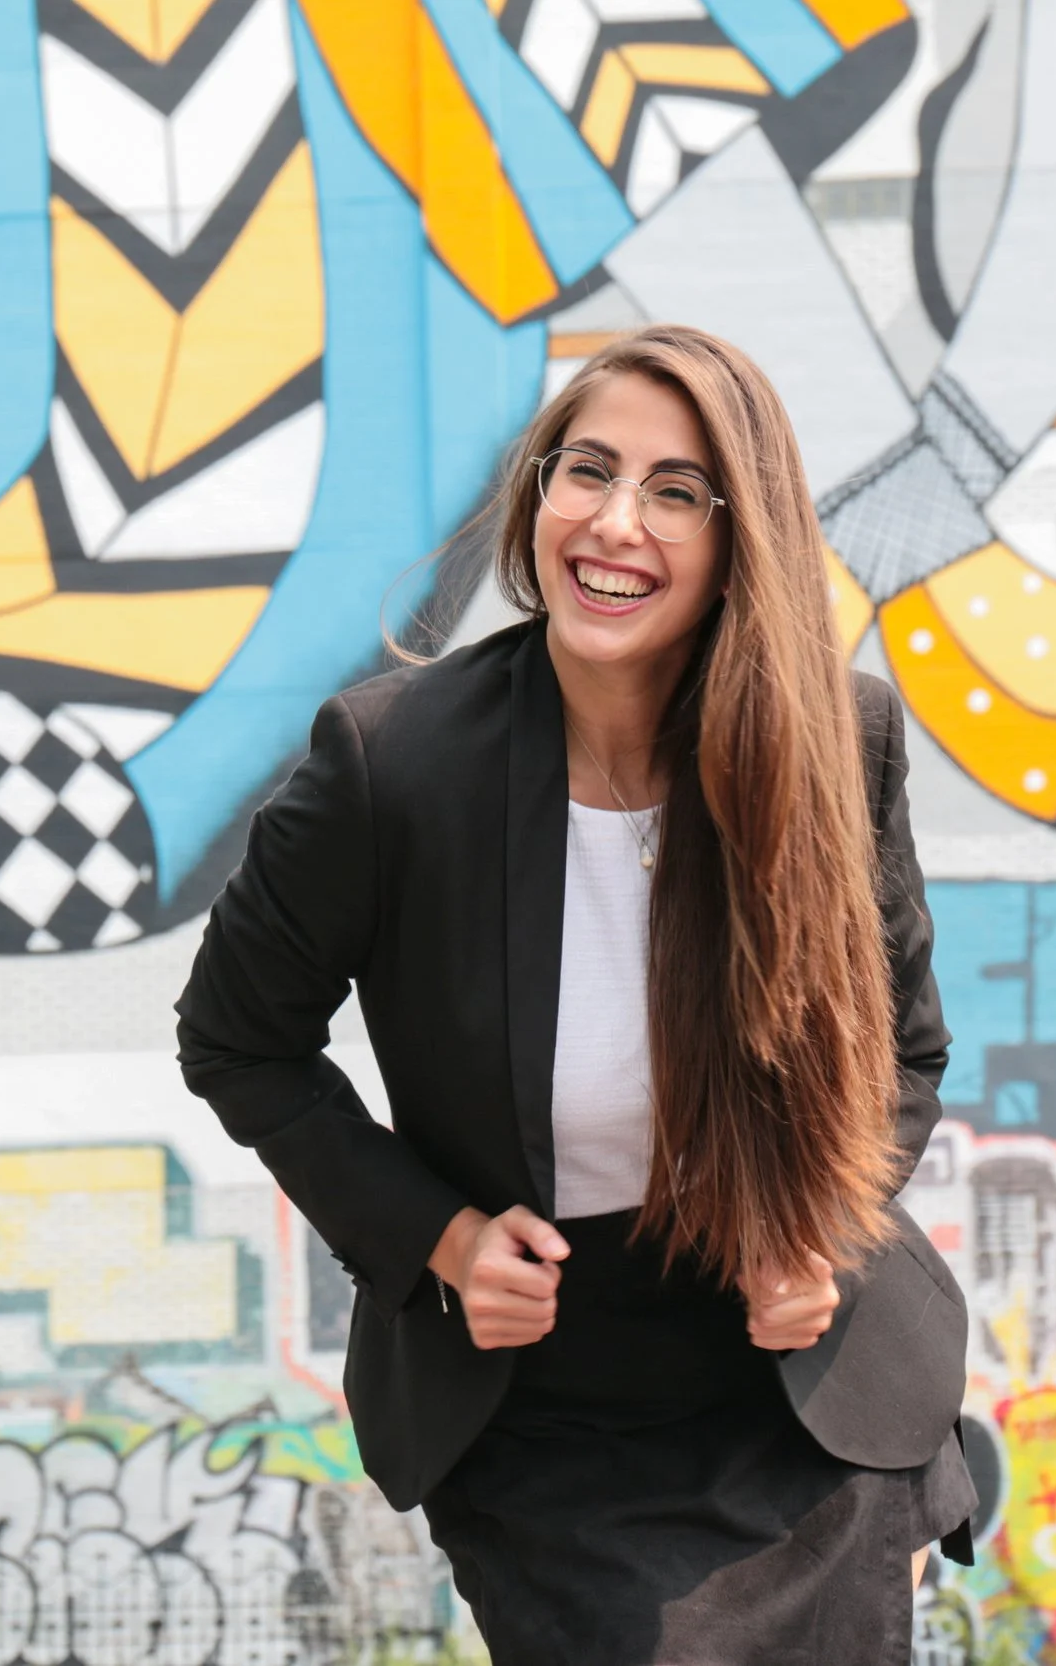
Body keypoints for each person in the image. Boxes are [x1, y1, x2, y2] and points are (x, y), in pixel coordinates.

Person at [175, 324, 974, 1664]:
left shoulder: (840, 738)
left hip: (794, 1370)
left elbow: (905, 1048)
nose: (615, 522)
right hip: (540, 1391)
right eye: (587, 470)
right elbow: (235, 1040)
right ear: (538, 492)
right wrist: (440, 1239)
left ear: (743, 538)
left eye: (677, 491)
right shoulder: (391, 766)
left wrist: (823, 1237)